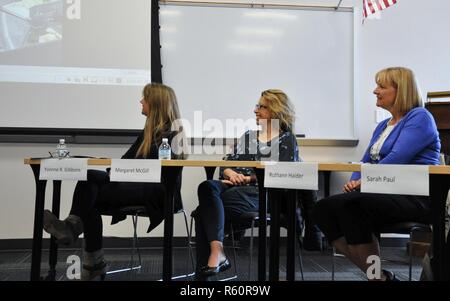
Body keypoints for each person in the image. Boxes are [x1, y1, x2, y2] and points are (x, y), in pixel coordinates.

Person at [43, 83, 186, 280]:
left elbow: (157, 171)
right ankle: (91, 258)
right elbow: (126, 162)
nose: (141, 101)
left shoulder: (172, 134)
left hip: (159, 193)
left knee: (90, 182)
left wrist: (117, 172)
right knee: (89, 195)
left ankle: (75, 232)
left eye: (144, 98)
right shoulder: (147, 132)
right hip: (136, 185)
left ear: (155, 103)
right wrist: (110, 168)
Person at [312, 67, 441, 281]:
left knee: (353, 207)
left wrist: (363, 182)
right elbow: (365, 161)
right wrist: (354, 181)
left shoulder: (420, 117)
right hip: (382, 191)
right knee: (322, 209)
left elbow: (398, 157)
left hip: (415, 197)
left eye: (381, 86)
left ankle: (376, 277)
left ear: (401, 91)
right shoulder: (383, 125)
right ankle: (379, 276)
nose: (375, 91)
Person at [194, 89, 319, 278]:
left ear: (276, 111)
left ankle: (209, 267)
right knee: (206, 187)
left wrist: (248, 178)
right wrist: (229, 172)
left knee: (204, 212)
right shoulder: (249, 136)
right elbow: (227, 163)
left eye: (262, 107)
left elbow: (281, 173)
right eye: (257, 105)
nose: (256, 110)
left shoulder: (286, 139)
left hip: (261, 192)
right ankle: (217, 252)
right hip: (233, 186)